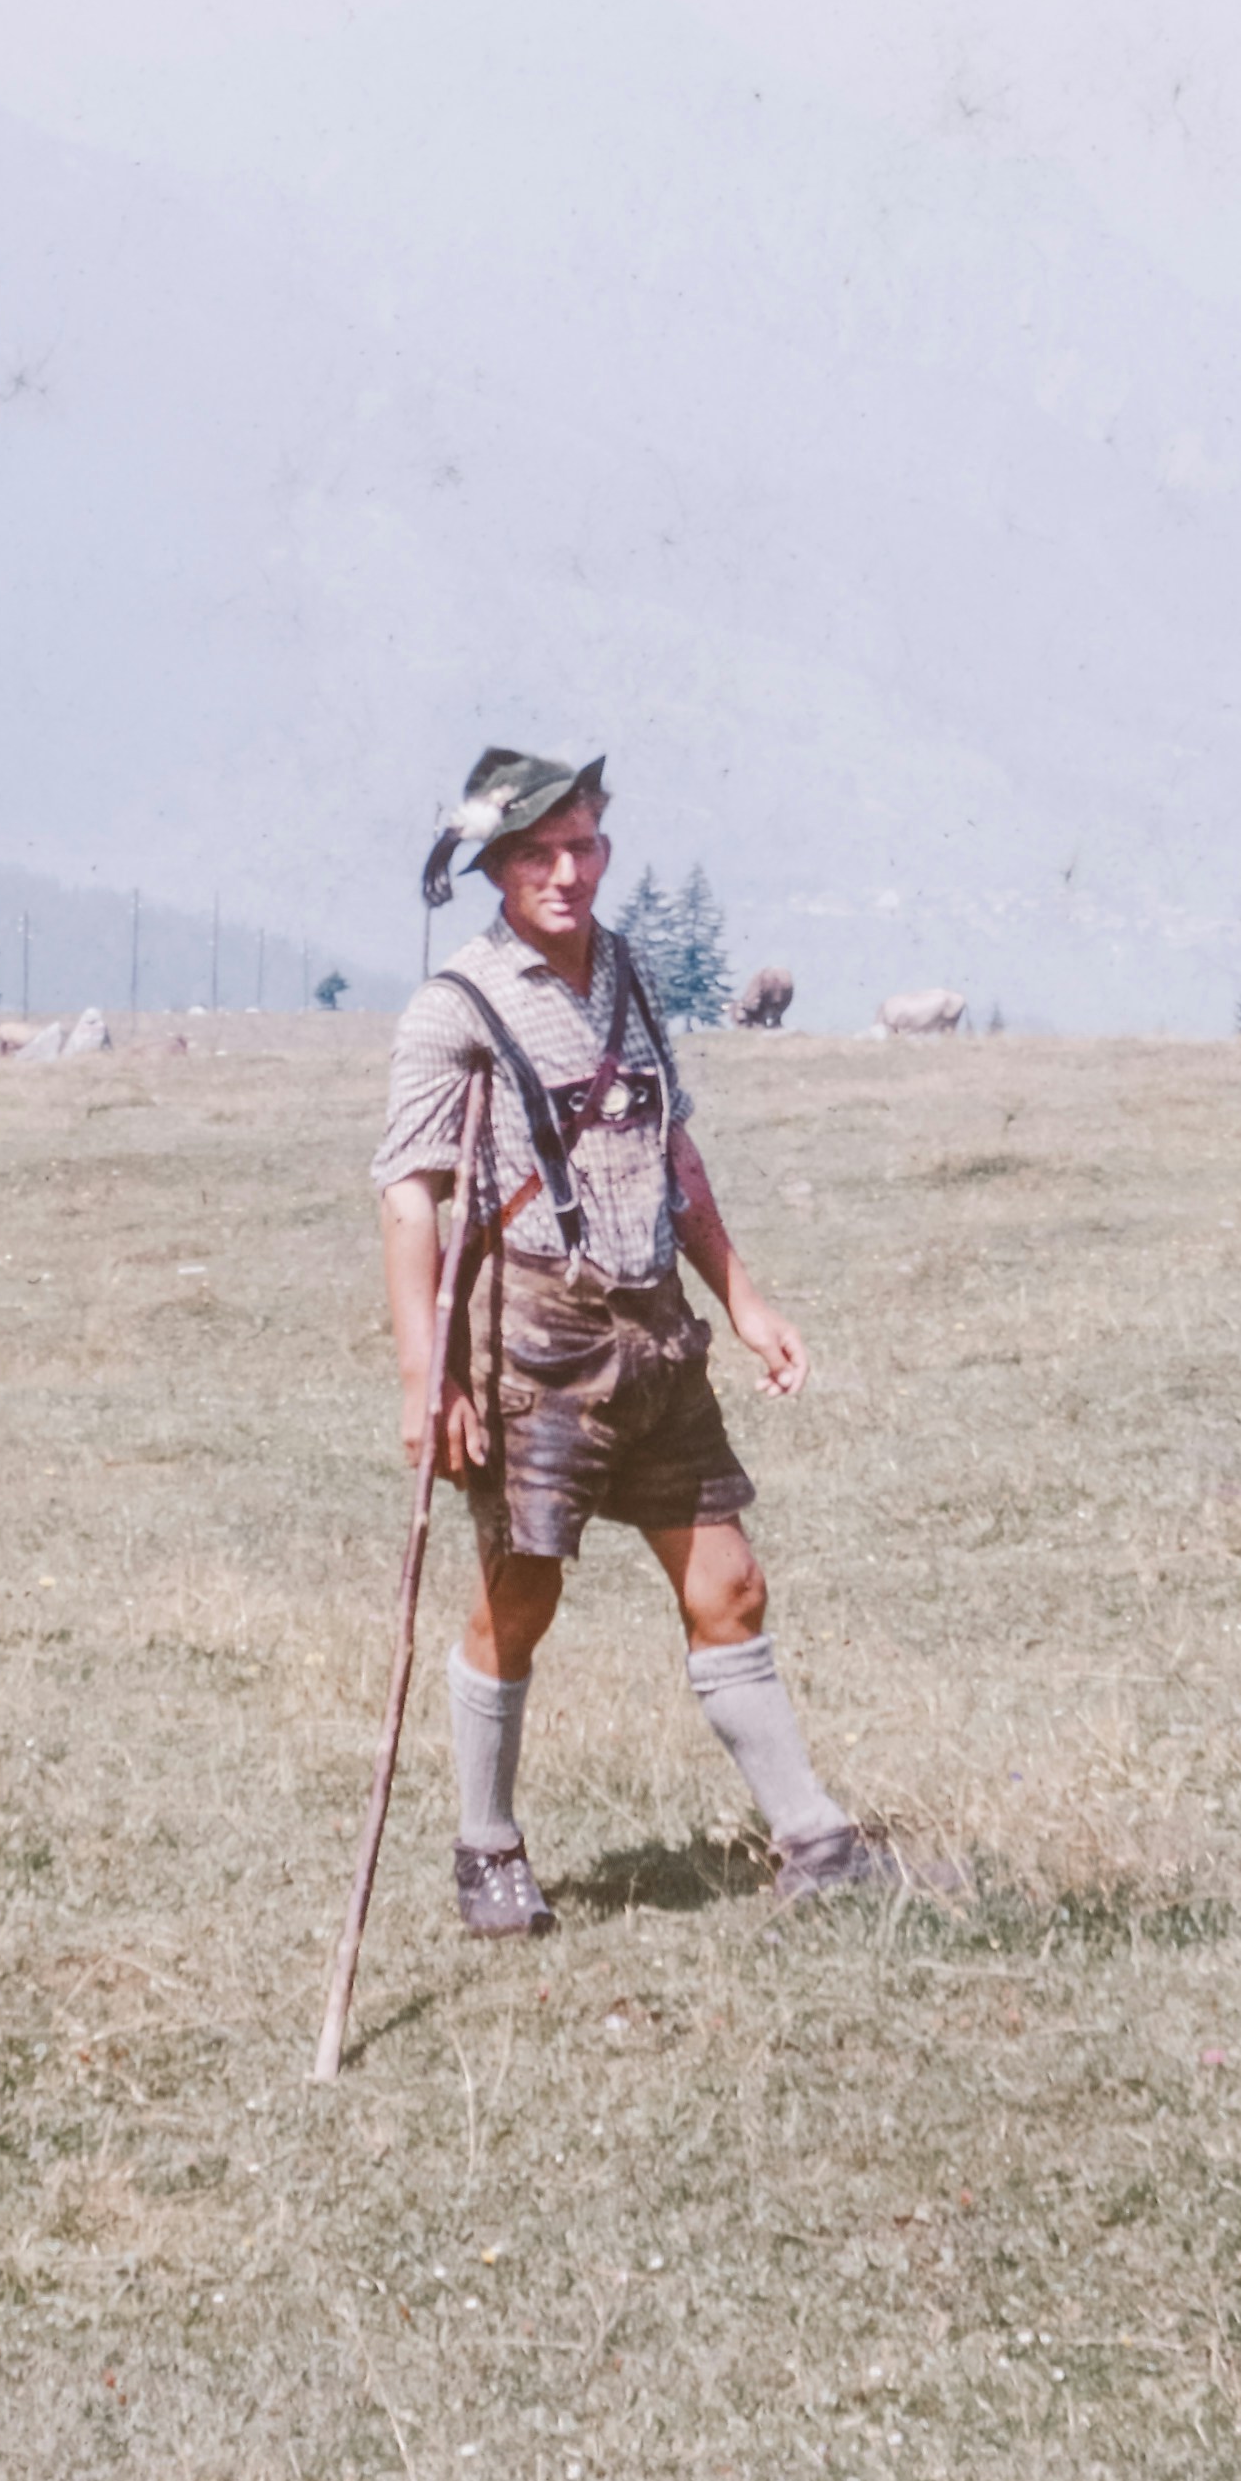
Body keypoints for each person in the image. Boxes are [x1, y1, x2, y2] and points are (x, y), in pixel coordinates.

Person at [371, 743, 905, 1936]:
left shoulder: (631, 974)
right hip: (535, 1343)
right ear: (494, 868)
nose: (567, 871)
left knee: (731, 1582)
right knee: (519, 1592)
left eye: (584, 845)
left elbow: (675, 1150)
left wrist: (743, 1300)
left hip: (655, 1330)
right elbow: (411, 1195)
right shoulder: (453, 1005)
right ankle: (485, 1846)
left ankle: (814, 1843)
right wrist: (427, 1379)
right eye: (537, 853)